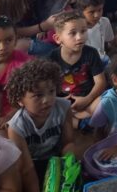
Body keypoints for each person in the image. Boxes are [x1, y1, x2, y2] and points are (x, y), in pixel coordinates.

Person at [6, 59, 74, 189]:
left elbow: (68, 142)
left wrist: (66, 171)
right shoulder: (16, 127)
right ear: (20, 100)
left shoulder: (63, 107)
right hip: (31, 163)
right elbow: (27, 168)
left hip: (56, 159)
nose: (47, 100)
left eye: (51, 91)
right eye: (38, 95)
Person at [49, 11, 107, 120]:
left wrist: (87, 99)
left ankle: (76, 119)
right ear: (58, 39)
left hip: (89, 99)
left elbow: (101, 82)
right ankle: (78, 120)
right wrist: (59, 101)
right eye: (73, 33)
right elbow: (47, 87)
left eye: (83, 31)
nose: (80, 37)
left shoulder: (91, 53)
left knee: (106, 98)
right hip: (63, 103)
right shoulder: (52, 58)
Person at [0, 16, 32, 125]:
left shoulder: (25, 65)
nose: (2, 47)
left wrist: (11, 115)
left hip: (16, 114)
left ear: (16, 40)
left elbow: (31, 97)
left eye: (8, 40)